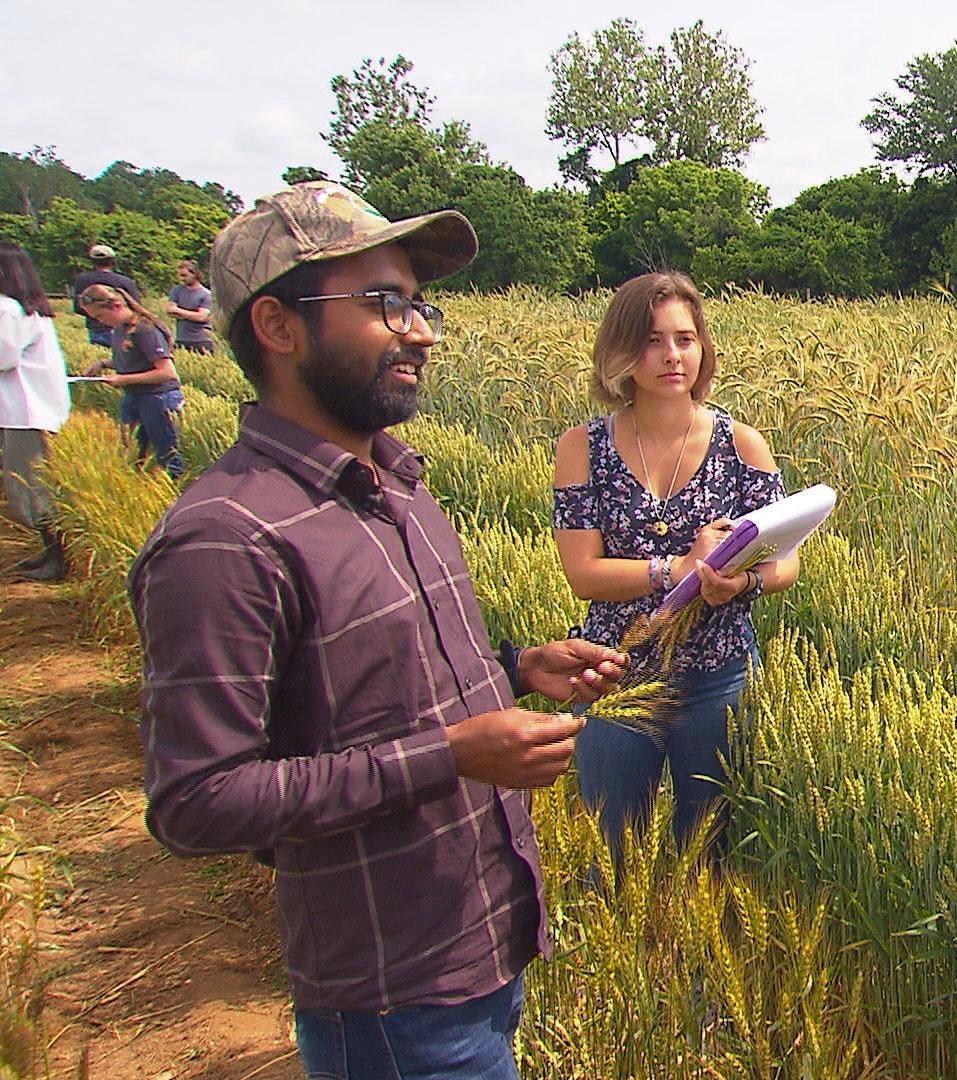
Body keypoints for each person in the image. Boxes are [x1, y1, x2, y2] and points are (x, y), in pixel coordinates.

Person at [132, 180, 627, 1080]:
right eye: (384, 303)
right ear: (279, 328)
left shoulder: (394, 483)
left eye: (418, 301)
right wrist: (452, 755)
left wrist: (517, 666)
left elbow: (373, 686)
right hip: (393, 997)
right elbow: (195, 802)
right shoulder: (226, 538)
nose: (422, 329)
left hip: (486, 943)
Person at [552, 271, 797, 866]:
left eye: (685, 339)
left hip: (718, 675)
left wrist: (742, 581)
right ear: (620, 351)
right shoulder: (581, 448)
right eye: (652, 340)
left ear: (703, 348)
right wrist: (678, 568)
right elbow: (583, 573)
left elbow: (785, 559)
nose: (671, 356)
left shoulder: (743, 445)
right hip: (617, 669)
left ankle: (692, 960)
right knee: (612, 851)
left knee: (710, 854)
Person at [0, 243, 72, 581]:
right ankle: (50, 551)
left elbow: (4, 356)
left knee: (32, 486)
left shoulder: (8, 309)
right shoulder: (27, 310)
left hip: (26, 412)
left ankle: (58, 558)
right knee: (33, 485)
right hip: (32, 410)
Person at [77, 284, 185, 478]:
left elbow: (167, 373)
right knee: (133, 453)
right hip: (135, 397)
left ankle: (175, 494)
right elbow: (134, 358)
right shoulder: (119, 329)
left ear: (116, 305)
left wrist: (123, 379)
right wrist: (104, 363)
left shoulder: (145, 329)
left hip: (158, 398)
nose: (100, 322)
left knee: (167, 455)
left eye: (101, 317)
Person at [70, 243, 141, 347]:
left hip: (96, 330)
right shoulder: (125, 281)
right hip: (123, 330)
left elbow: (77, 308)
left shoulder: (82, 281)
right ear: (113, 261)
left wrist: (97, 316)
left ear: (93, 261)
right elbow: (136, 307)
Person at [164, 259, 217, 354]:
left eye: (185, 275)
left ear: (195, 274)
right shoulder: (177, 291)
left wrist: (178, 311)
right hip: (181, 339)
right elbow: (169, 310)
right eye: (180, 276)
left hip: (201, 340)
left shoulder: (206, 294)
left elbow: (202, 317)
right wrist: (191, 315)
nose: (182, 279)